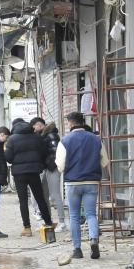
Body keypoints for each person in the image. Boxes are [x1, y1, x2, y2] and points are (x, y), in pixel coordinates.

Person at [56, 111, 109, 259]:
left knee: (73, 216)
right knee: (91, 214)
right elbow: (105, 162)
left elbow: (60, 166)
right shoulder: (96, 139)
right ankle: (93, 239)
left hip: (72, 182)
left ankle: (77, 249)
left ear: (71, 123)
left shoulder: (65, 141)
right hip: (91, 181)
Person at [4, 118, 54, 236]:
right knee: (40, 197)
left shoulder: (11, 139)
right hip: (34, 172)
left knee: (23, 200)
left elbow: (8, 158)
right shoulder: (36, 137)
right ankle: (48, 223)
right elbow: (44, 153)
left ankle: (27, 228)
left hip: (19, 174)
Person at [31, 117, 66, 232]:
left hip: (52, 168)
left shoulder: (51, 135)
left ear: (39, 125)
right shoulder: (45, 135)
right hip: (47, 168)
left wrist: (49, 165)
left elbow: (55, 153)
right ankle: (48, 221)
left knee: (55, 194)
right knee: (44, 194)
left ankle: (62, 222)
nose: (33, 129)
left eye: (34, 126)